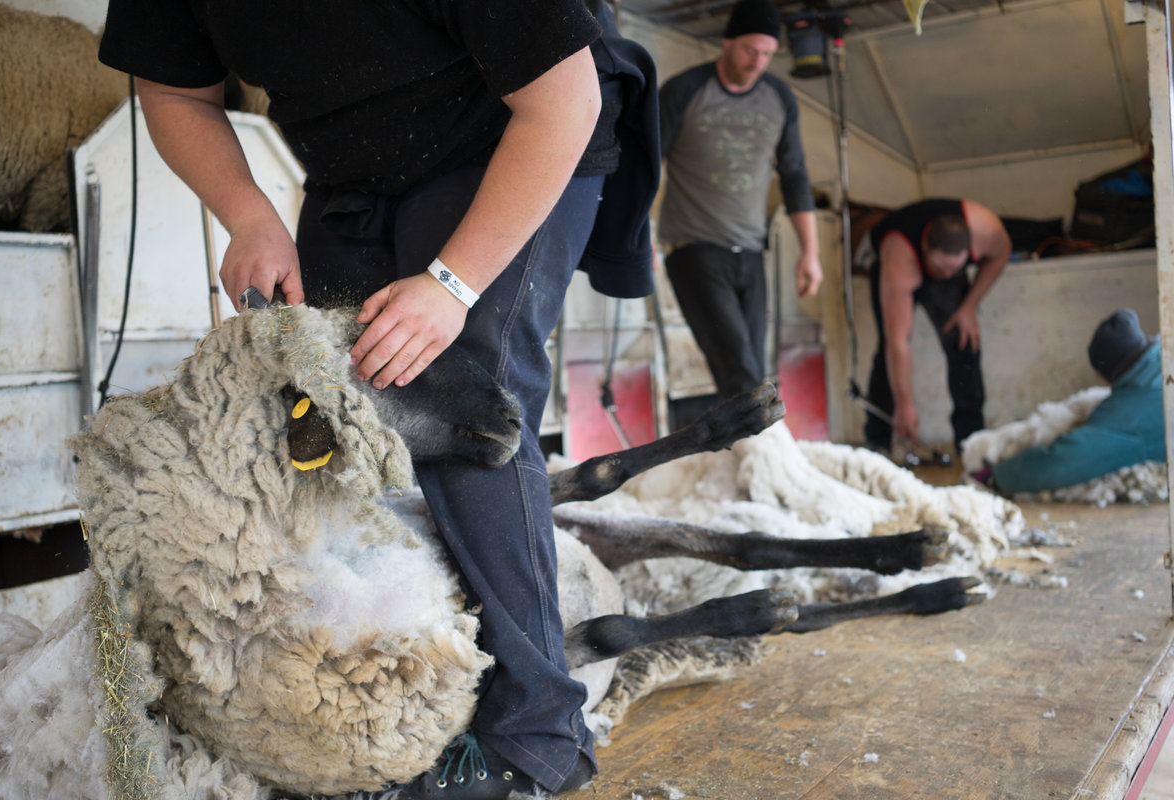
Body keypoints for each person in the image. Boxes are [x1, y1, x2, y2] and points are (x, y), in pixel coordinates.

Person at [97, 2, 660, 798]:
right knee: (324, 407)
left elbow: (563, 101)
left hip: (516, 132)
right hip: (353, 168)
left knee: (454, 402)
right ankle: (405, 685)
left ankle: (541, 733)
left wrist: (450, 285)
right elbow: (174, 92)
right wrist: (247, 213)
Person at [657, 0, 823, 403]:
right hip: (694, 248)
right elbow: (644, 166)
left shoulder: (779, 97)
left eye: (767, 53)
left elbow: (795, 175)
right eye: (751, 50)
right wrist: (633, 235)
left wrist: (811, 253)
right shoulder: (684, 90)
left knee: (752, 367)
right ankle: (765, 456)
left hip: (750, 251)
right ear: (728, 42)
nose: (758, 62)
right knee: (739, 368)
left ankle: (746, 454)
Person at [862, 197, 1012, 454]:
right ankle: (878, 443)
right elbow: (898, 342)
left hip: (939, 257)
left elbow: (1000, 257)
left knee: (965, 342)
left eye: (954, 268)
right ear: (925, 247)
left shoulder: (986, 230)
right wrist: (905, 404)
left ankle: (971, 445)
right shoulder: (899, 259)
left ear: (969, 253)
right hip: (897, 260)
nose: (946, 275)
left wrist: (968, 306)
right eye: (942, 267)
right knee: (886, 351)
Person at [985, 308, 1165, 494]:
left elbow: (1066, 461)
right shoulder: (1164, 356)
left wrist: (998, 476)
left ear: (1106, 374)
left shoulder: (1127, 414)